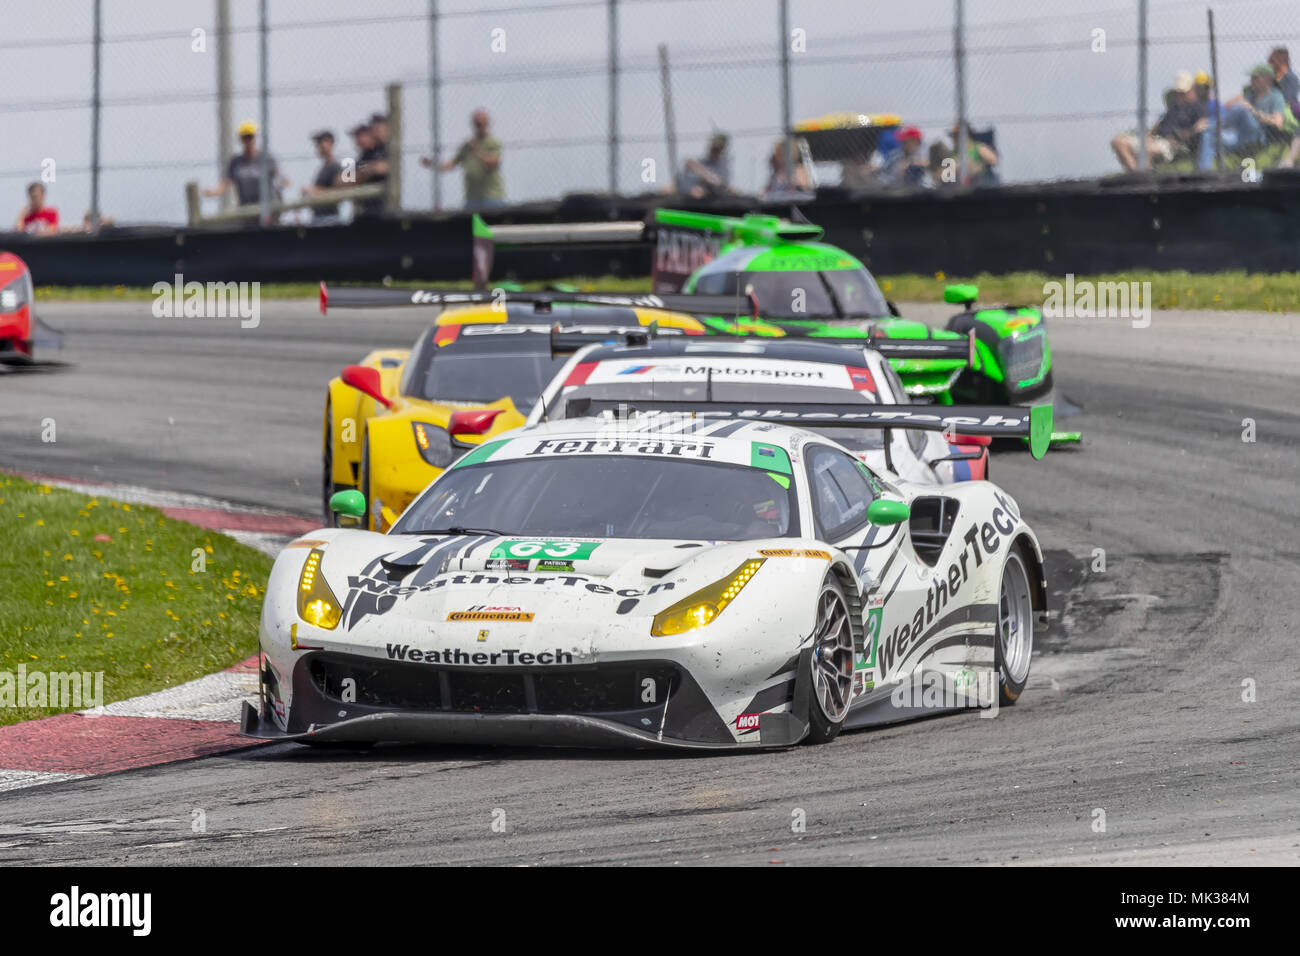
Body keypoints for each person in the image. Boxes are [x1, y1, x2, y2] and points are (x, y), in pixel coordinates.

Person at [1200, 64, 1289, 169]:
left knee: (1242, 109)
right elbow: (1224, 106)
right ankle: (1204, 173)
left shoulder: (1276, 96)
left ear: (1267, 79)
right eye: (1251, 77)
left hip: (1257, 136)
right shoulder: (1249, 94)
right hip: (1238, 135)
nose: (1251, 80)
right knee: (1208, 136)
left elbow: (1278, 122)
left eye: (1255, 78)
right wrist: (1238, 99)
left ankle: (1208, 125)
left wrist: (1254, 112)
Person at [1112, 71, 1205, 171]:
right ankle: (1135, 175)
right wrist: (1149, 136)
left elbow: (1198, 131)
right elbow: (1159, 127)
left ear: (1192, 90)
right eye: (1177, 92)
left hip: (1172, 145)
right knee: (1118, 142)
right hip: (1155, 140)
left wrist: (1179, 136)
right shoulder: (1173, 109)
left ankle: (1142, 179)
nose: (1179, 95)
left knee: (1147, 149)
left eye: (1183, 92)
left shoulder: (1198, 109)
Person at [423, 109, 505, 211]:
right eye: (476, 124)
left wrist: (477, 152)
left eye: (480, 124)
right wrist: (432, 164)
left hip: (492, 198)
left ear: (487, 124)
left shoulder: (492, 142)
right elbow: (450, 165)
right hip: (472, 199)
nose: (478, 127)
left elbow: (494, 162)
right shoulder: (467, 145)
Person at [204, 120, 285, 207]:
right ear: (241, 139)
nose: (248, 141)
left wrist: (282, 182)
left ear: (255, 138)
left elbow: (279, 176)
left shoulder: (267, 159)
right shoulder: (236, 162)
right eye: (245, 137)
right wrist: (214, 191)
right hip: (246, 208)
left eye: (250, 137)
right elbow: (226, 182)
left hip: (266, 207)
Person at [302, 130, 343, 222]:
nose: (319, 146)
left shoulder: (335, 166)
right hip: (319, 217)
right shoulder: (324, 167)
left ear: (331, 144)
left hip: (329, 217)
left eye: (322, 142)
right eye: (317, 143)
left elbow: (339, 191)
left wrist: (313, 190)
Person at [678, 132, 734, 199]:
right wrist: (691, 189)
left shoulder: (723, 165)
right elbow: (684, 181)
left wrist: (701, 171)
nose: (714, 151)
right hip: (692, 199)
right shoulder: (701, 162)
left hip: (712, 199)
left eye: (718, 149)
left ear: (722, 150)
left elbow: (720, 184)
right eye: (713, 147)